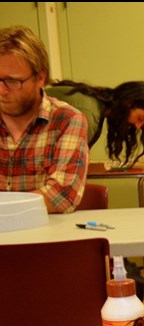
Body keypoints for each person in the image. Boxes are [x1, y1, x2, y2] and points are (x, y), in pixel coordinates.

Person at [0, 25, 88, 213]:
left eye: (13, 81)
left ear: (40, 78)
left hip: (43, 235)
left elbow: (62, 196)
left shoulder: (68, 120)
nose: (2, 91)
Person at [45, 79, 144, 166]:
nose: (138, 127)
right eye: (140, 119)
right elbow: (68, 166)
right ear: (128, 103)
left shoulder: (95, 105)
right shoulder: (89, 114)